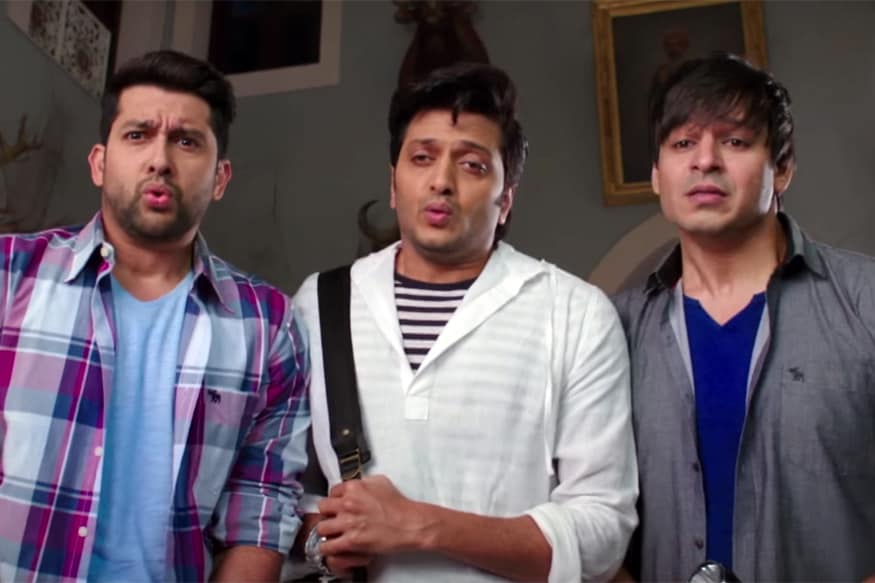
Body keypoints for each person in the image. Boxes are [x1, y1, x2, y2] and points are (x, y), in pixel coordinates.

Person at [292, 62, 637, 582]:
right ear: (393, 183)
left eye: (472, 165)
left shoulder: (575, 313)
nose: (441, 181)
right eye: (421, 158)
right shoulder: (320, 303)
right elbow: (276, 493)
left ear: (506, 199)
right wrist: (320, 541)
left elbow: (603, 531)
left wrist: (420, 526)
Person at [0, 50, 310, 582]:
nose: (160, 160)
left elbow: (260, 507)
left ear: (220, 177)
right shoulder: (10, 277)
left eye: (186, 141)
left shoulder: (268, 327)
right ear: (99, 163)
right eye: (138, 135)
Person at [613, 53, 875, 581]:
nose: (705, 161)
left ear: (783, 168)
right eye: (682, 144)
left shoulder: (865, 301)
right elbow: (585, 516)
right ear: (657, 175)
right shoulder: (614, 330)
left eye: (734, 141)